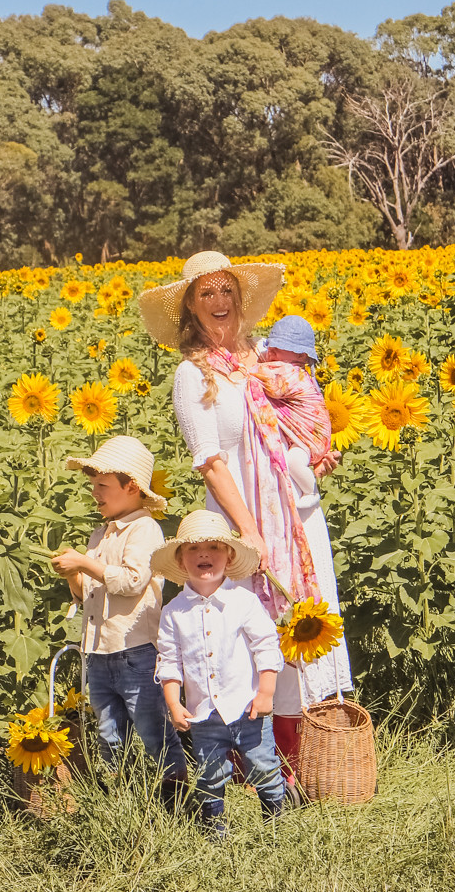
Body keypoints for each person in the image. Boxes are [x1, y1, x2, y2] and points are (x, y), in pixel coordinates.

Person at [139, 251, 352, 776]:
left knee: (302, 621)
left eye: (226, 291)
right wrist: (249, 533)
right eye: (206, 293)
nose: (219, 301)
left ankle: (310, 760)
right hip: (241, 523)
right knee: (248, 633)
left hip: (297, 515)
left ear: (239, 298)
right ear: (191, 306)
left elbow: (298, 413)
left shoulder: (263, 354)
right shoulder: (193, 376)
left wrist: (318, 454)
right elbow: (210, 462)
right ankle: (254, 765)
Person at [51, 435, 187, 787]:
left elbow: (130, 582)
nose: (95, 493)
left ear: (131, 486)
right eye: (93, 485)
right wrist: (73, 575)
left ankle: (177, 798)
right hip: (98, 651)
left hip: (135, 651)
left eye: (102, 485)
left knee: (152, 731)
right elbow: (87, 595)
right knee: (109, 736)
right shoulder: (101, 534)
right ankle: (121, 800)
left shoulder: (145, 529)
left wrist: (83, 561)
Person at [154, 510, 287, 836]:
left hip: (248, 708)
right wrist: (174, 705)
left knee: (262, 766)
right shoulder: (174, 612)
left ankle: (277, 828)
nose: (204, 554)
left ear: (229, 557)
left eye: (214, 546)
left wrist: (266, 693)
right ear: (181, 560)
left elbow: (267, 647)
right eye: (193, 548)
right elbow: (169, 662)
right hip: (203, 715)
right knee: (210, 774)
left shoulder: (244, 602)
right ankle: (215, 834)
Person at [255, 314, 332, 500]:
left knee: (293, 463)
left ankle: (311, 491)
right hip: (306, 436)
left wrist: (245, 369)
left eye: (277, 349)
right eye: (270, 348)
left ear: (300, 356)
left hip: (310, 439)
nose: (270, 352)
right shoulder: (292, 370)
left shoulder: (293, 374)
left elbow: (272, 386)